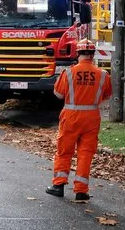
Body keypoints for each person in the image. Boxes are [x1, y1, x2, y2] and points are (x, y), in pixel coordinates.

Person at [46, 38, 112, 201]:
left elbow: (58, 94)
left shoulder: (69, 72)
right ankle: (81, 190)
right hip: (91, 117)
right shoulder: (103, 75)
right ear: (92, 55)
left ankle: (58, 185)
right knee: (85, 153)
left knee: (64, 150)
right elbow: (106, 95)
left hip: (71, 116)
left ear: (78, 54)